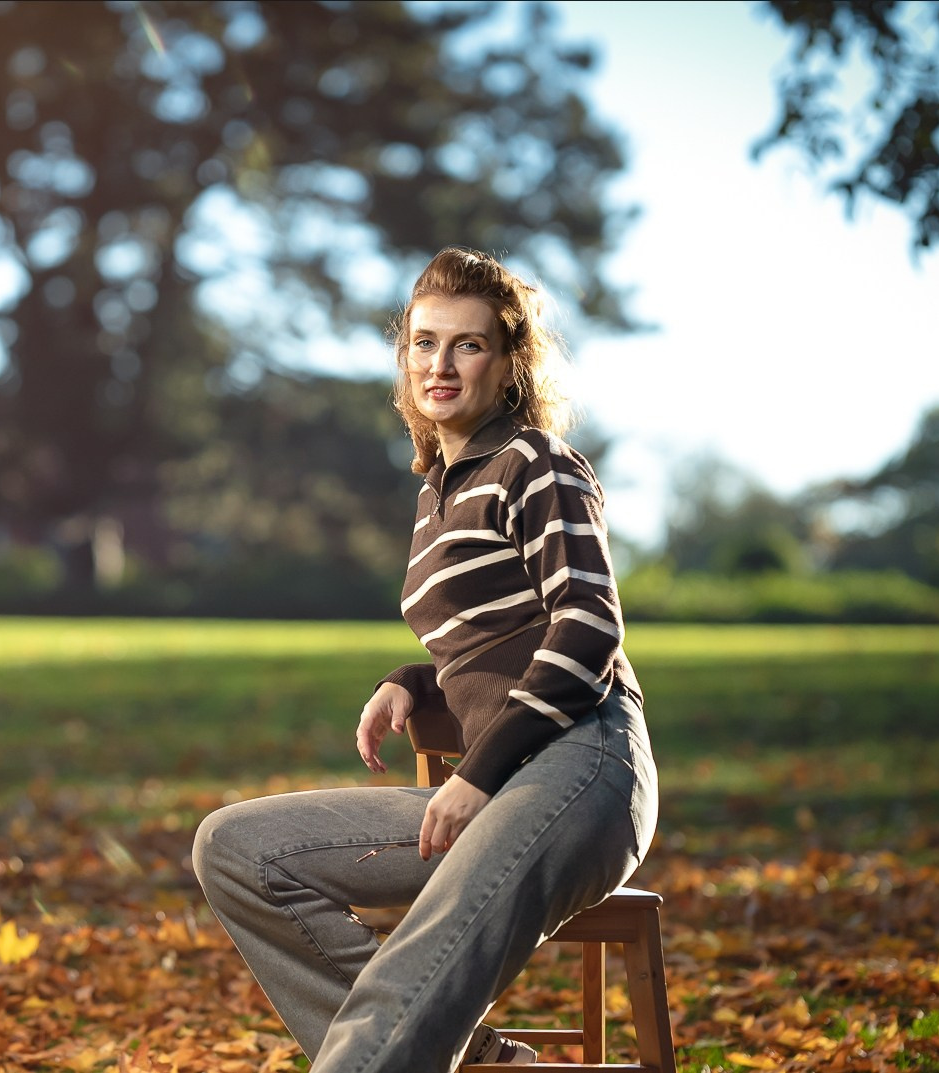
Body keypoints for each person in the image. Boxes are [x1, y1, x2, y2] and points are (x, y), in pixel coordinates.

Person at [192, 247, 658, 1071]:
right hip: (500, 782)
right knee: (235, 849)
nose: (439, 363)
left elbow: (585, 625)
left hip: (582, 767)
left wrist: (474, 775)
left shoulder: (535, 463)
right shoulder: (436, 492)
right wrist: (410, 679)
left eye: (467, 344)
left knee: (412, 965)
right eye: (422, 342)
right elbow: (494, 639)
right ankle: (484, 1065)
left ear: (508, 363)